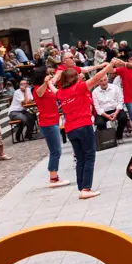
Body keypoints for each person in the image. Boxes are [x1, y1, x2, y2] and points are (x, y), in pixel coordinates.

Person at [56, 60, 115, 200]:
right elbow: (96, 78)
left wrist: (50, 81)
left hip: (70, 129)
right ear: (74, 78)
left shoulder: (60, 93)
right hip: (84, 125)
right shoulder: (79, 88)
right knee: (89, 157)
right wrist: (108, 66)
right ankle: (86, 188)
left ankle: (81, 187)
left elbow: (54, 89)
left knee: (80, 158)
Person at [31, 68, 69, 188]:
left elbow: (54, 80)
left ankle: (54, 176)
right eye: (46, 74)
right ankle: (53, 178)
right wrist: (45, 82)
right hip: (47, 123)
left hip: (53, 120)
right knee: (55, 151)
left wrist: (58, 74)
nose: (49, 76)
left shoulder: (48, 86)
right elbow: (39, 94)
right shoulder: (37, 89)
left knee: (56, 150)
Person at [92, 75, 129, 140]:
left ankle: (118, 136)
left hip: (116, 109)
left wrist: (116, 113)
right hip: (103, 112)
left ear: (107, 79)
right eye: (101, 81)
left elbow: (120, 101)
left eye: (105, 80)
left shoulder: (115, 88)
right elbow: (97, 108)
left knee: (123, 118)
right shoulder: (95, 92)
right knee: (100, 123)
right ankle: (107, 139)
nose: (103, 83)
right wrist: (107, 116)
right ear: (98, 82)